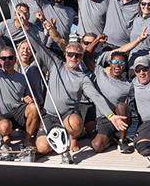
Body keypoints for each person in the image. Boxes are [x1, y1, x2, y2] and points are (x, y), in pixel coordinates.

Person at [25, 32, 128, 162]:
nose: (73, 57)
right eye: (70, 54)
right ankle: (58, 139)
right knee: (43, 148)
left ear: (81, 57)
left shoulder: (83, 78)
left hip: (68, 116)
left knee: (76, 123)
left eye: (77, 55)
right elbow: (38, 46)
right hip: (50, 115)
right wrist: (27, 28)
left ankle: (71, 138)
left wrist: (111, 116)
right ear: (65, 55)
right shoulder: (55, 64)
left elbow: (95, 96)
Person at [0, 42, 39, 151]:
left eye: (10, 58)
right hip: (2, 115)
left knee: (34, 107)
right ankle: (5, 137)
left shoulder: (22, 77)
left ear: (15, 59)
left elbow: (27, 96)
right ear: (0, 61)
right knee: (4, 127)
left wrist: (28, 98)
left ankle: (27, 140)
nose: (7, 61)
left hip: (18, 112)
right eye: (3, 58)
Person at [90, 50, 133, 153]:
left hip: (121, 118)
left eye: (122, 63)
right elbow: (86, 57)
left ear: (125, 66)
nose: (118, 66)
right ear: (110, 63)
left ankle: (122, 140)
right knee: (97, 146)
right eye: (115, 62)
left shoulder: (128, 85)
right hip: (104, 119)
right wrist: (97, 40)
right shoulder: (100, 73)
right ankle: (113, 139)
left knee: (122, 106)